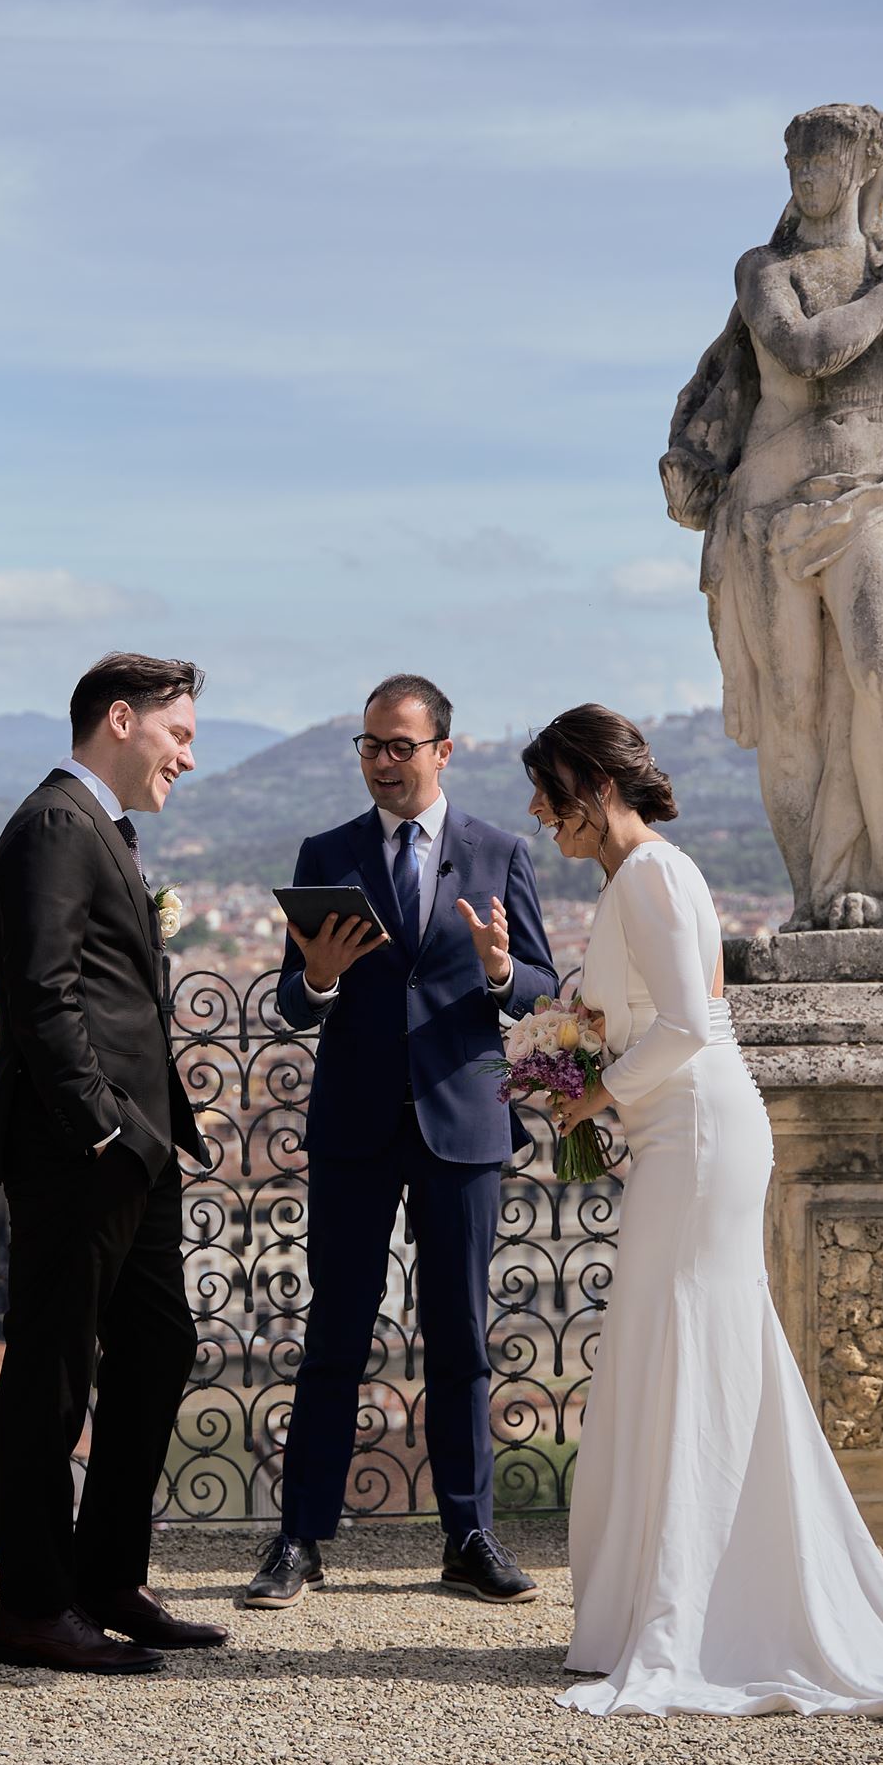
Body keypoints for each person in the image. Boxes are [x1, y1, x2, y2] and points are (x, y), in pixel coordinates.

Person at [527, 703, 883, 1718]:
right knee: (676, 1344)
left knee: (686, 1344)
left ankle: (697, 1610)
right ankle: (675, 1600)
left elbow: (696, 1022)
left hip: (695, 1137)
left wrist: (590, 1092)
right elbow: (661, 1013)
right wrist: (584, 1044)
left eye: (549, 792)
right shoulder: (638, 876)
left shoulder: (652, 871)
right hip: (681, 1133)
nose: (539, 813)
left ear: (594, 787)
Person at [243, 674, 559, 1610]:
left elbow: (542, 988)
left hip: (462, 1125)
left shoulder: (500, 852)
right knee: (335, 1334)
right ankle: (299, 1539)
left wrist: (505, 971)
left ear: (443, 752)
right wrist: (321, 978)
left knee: (460, 1336)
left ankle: (469, 1535)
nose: (383, 761)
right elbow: (293, 1000)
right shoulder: (327, 852)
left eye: (400, 747)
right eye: (371, 746)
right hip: (353, 1127)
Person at [660, 102, 883, 932]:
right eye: (797, 161)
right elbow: (804, 352)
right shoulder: (767, 270)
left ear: (866, 167)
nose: (808, 175)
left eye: (825, 160)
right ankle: (818, 890)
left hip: (877, 490)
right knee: (792, 706)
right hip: (770, 511)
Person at [0, 652, 227, 1675]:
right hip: (88, 1151)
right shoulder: (52, 827)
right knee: (50, 1374)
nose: (190, 757)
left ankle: (107, 1574)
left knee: (160, 1345)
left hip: (134, 1156)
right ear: (121, 720)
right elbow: (39, 993)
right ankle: (33, 1606)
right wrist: (104, 1125)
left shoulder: (92, 830)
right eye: (180, 735)